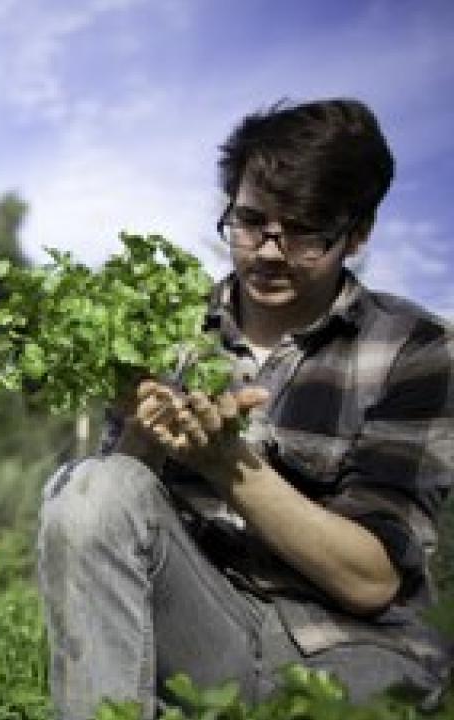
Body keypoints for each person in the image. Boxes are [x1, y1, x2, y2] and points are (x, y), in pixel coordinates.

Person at [36, 98, 452, 718]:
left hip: (352, 649)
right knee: (90, 486)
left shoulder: (417, 350)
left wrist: (227, 461)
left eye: (306, 231)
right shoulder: (165, 328)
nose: (268, 252)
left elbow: (371, 581)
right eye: (252, 222)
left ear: (357, 235)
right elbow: (100, 528)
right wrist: (144, 438)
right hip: (202, 624)